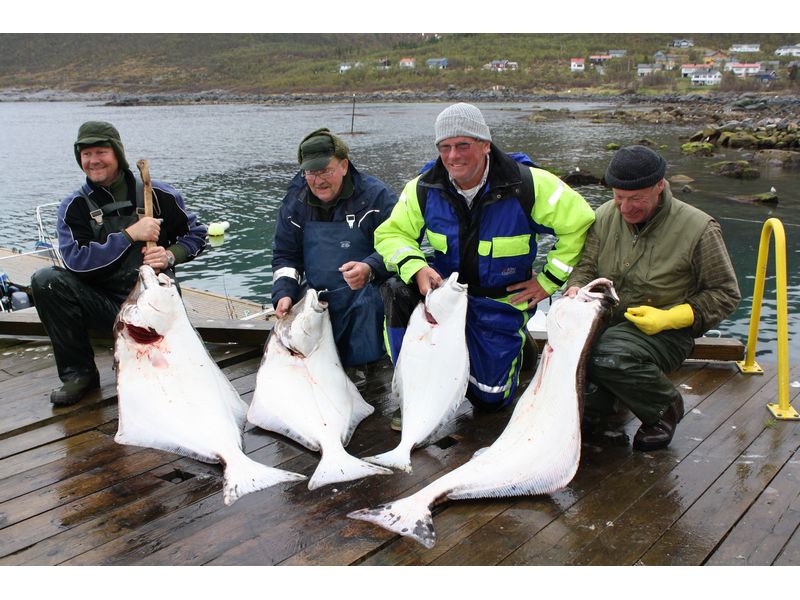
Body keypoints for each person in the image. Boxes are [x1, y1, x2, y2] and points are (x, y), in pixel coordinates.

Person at [375, 102, 595, 424]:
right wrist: (416, 267)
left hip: (500, 304)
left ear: (485, 145)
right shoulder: (422, 188)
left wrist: (548, 281)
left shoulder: (530, 185)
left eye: (463, 145)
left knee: (489, 399)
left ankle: (519, 349)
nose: (453, 156)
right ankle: (413, 387)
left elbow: (580, 223)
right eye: (445, 147)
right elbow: (391, 235)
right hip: (445, 300)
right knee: (397, 290)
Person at [565, 145, 741, 451]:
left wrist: (672, 317)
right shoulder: (604, 216)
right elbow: (586, 266)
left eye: (636, 199)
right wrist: (574, 289)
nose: (624, 208)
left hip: (666, 334)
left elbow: (725, 294)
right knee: (583, 396)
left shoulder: (699, 228)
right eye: (618, 197)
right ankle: (606, 404)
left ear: (660, 186)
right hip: (606, 324)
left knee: (608, 356)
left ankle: (664, 408)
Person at [31, 121, 207, 406]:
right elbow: (77, 262)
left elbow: (197, 236)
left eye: (101, 151)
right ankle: (79, 374)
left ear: (118, 154)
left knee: (176, 384)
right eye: (86, 154)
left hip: (154, 305)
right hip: (104, 305)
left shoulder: (159, 195)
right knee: (45, 281)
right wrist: (129, 236)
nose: (93, 160)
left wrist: (171, 254)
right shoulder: (73, 207)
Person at [271, 128, 397, 370]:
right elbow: (286, 256)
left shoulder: (376, 197)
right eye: (311, 173)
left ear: (344, 166)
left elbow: (399, 245)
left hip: (367, 296)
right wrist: (284, 292)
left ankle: (373, 368)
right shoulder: (294, 202)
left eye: (325, 171)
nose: (318, 181)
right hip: (318, 298)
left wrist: (370, 266)